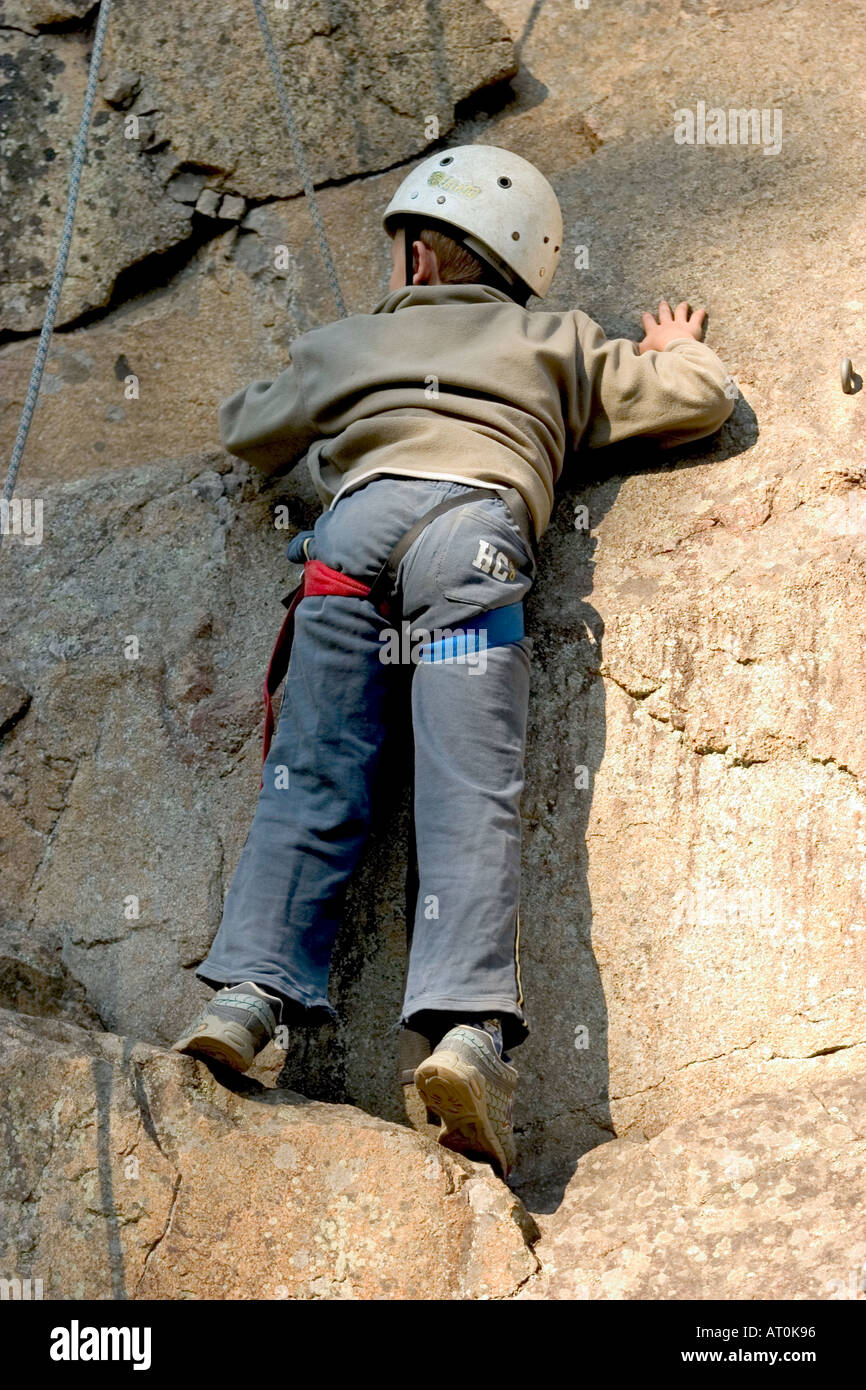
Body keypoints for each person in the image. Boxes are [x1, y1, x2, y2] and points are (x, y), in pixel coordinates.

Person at [173, 145, 733, 1179]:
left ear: (421, 256)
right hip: (473, 542)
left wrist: (323, 392)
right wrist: (675, 345)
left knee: (309, 779)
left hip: (351, 543)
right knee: (469, 791)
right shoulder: (558, 341)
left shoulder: (346, 344)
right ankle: (466, 1033)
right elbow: (692, 398)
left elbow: (246, 429)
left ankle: (246, 998)